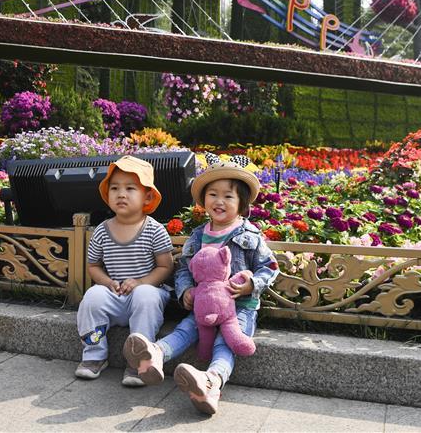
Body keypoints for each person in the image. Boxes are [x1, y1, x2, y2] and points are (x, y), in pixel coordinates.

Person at [123, 159, 279, 415]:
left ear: (242, 204)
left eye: (228, 196)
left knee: (225, 344)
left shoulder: (250, 235)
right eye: (213, 195)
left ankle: (211, 382)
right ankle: (155, 354)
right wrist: (185, 291)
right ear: (204, 200)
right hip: (203, 304)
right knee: (187, 328)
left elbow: (270, 267)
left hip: (239, 307)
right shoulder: (198, 235)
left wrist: (252, 284)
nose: (219, 201)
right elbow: (184, 267)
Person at [75, 155, 174, 386]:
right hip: (116, 293)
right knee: (92, 296)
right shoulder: (102, 230)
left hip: (145, 295)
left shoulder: (154, 230)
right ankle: (94, 355)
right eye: (115, 188)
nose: (121, 194)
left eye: (130, 188)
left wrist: (141, 282)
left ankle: (139, 359)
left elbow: (165, 266)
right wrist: (107, 282)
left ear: (147, 196)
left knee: (145, 295)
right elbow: (94, 266)